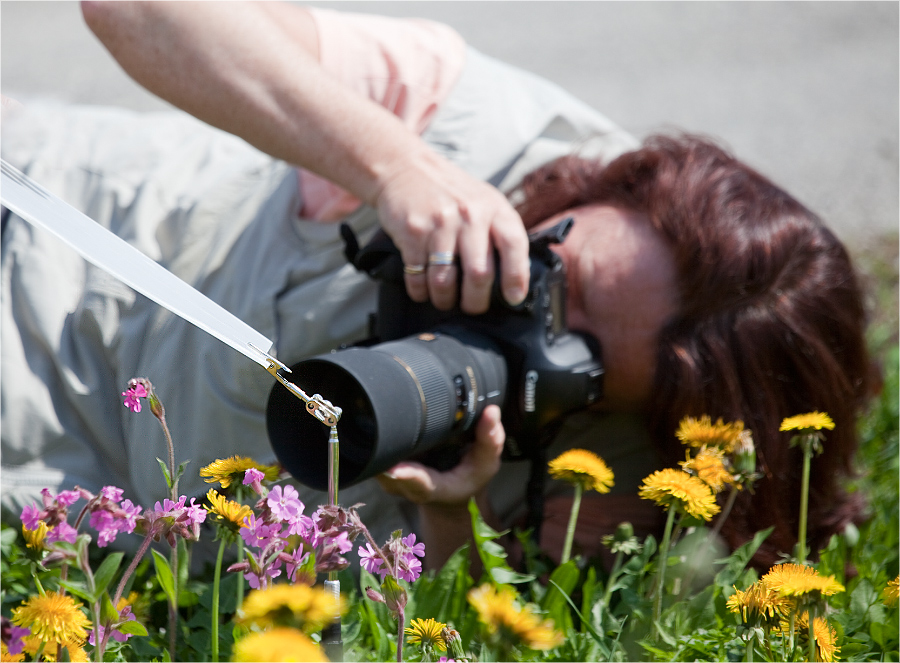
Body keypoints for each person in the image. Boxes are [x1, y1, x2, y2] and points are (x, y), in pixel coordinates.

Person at [1, 2, 873, 572]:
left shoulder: (627, 476)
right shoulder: (473, 123)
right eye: (554, 278)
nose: (528, 328)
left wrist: (457, 532)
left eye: (583, 359)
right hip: (43, 222)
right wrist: (392, 164)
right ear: (600, 188)